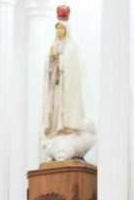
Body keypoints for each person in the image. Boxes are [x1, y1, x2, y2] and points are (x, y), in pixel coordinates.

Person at [40, 17, 95, 162]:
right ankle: (57, 128)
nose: (59, 31)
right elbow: (49, 68)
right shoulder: (54, 45)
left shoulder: (72, 46)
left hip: (68, 87)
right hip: (57, 87)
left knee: (67, 108)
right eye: (57, 28)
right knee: (56, 109)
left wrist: (57, 58)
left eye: (61, 28)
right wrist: (51, 59)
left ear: (66, 29)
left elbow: (69, 66)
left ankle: (68, 127)